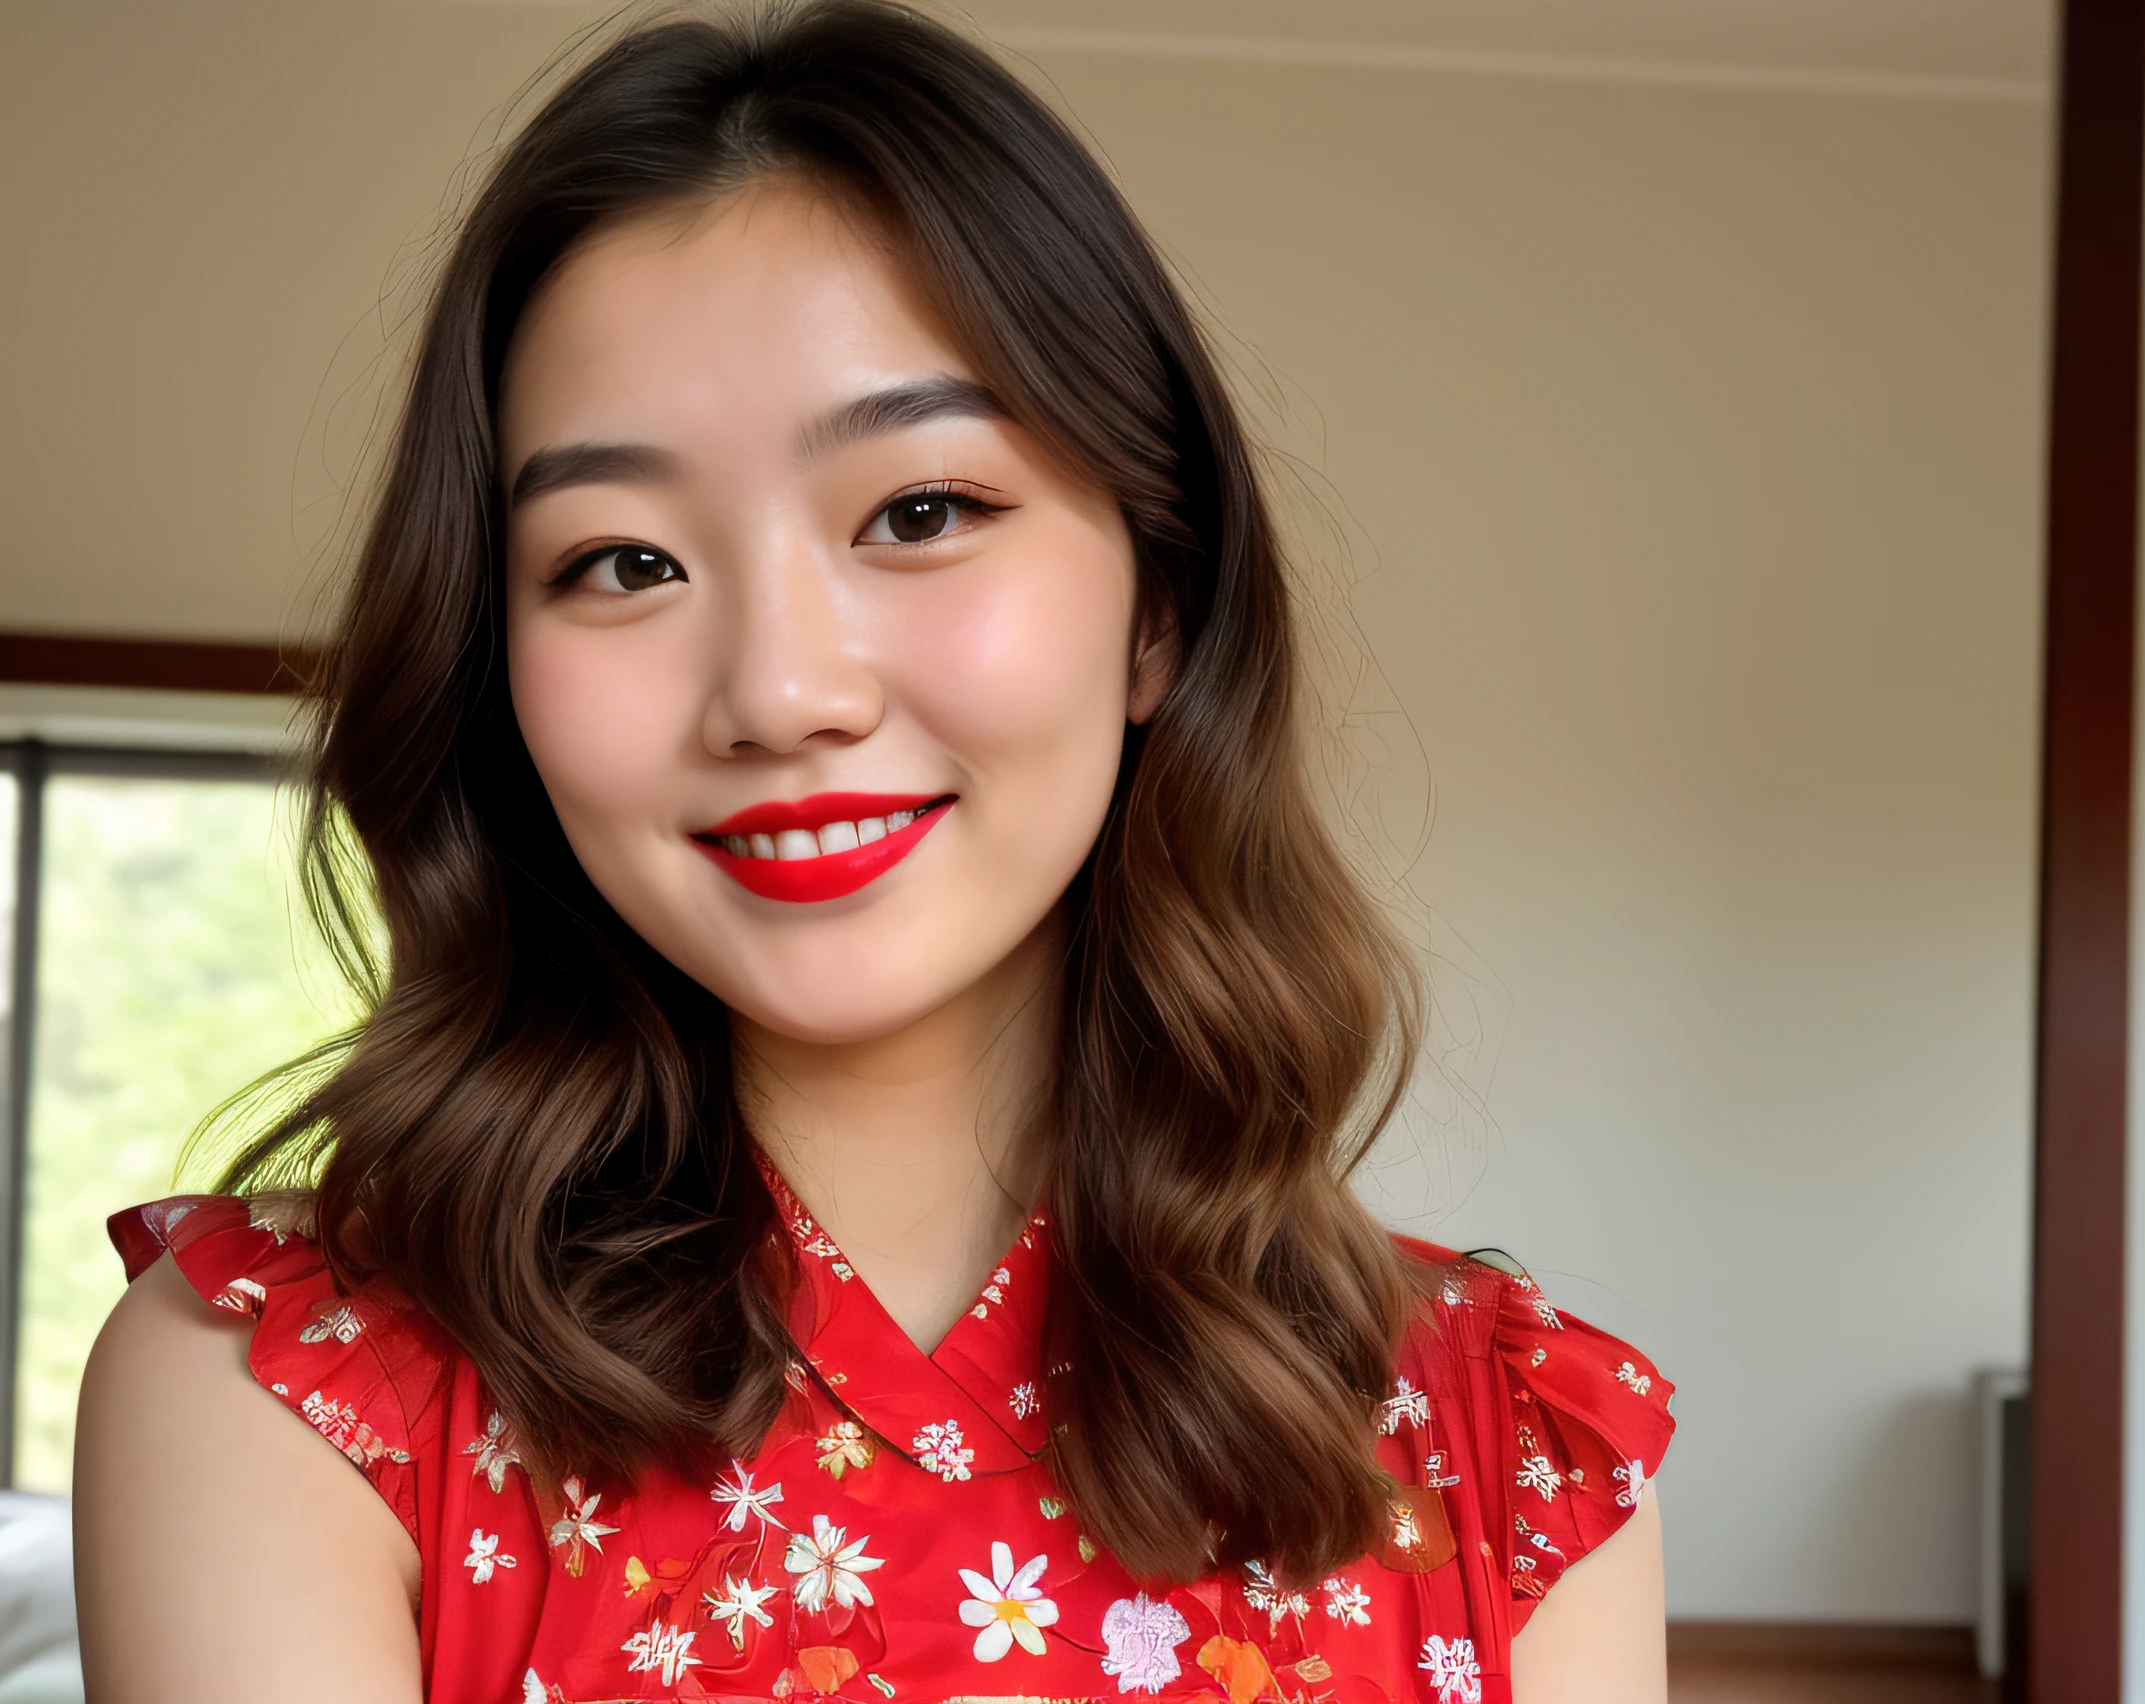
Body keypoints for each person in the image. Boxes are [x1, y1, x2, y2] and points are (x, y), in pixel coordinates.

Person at [68, 5, 1671, 1700]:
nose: (778, 691)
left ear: (1160, 610)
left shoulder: (1516, 1456)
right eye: (620, 561)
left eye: (920, 513)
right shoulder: (283, 1394)